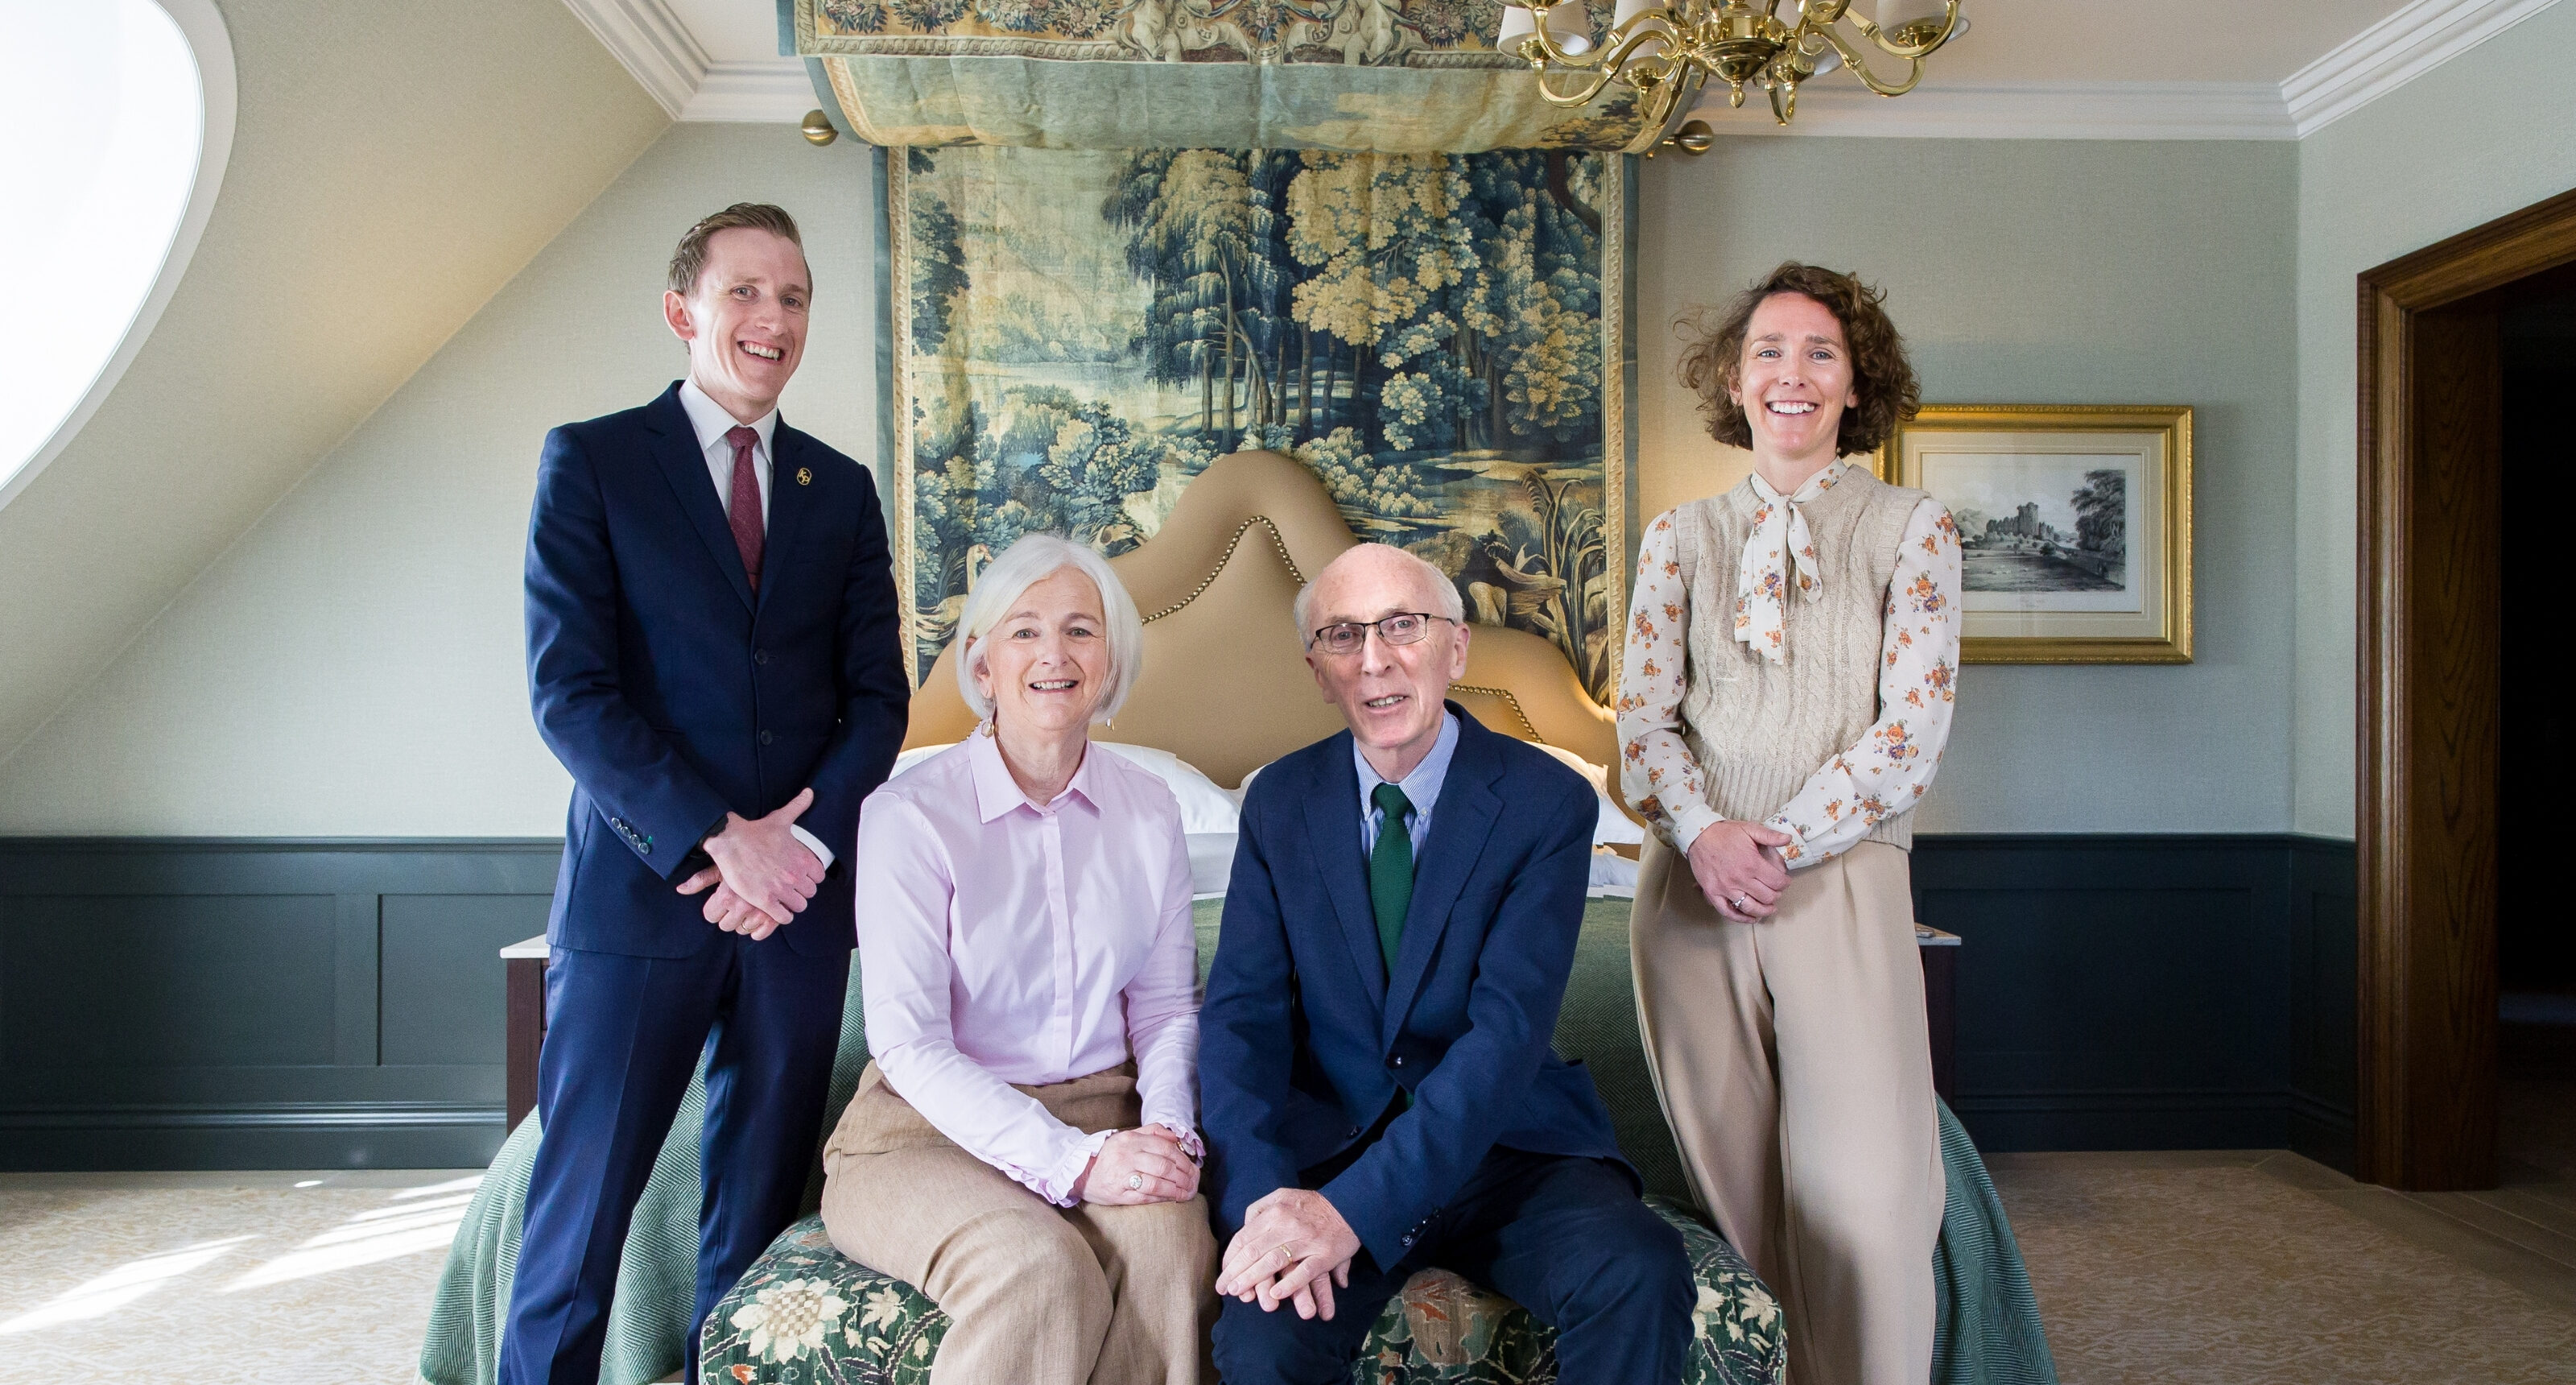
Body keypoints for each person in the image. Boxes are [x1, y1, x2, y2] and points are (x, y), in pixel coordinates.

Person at [506, 203, 908, 1384]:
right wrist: (718, 840)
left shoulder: (838, 489)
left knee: (754, 1221)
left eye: (792, 298)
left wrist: (805, 849)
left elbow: (879, 699)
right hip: (642, 899)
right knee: (579, 1216)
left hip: (797, 914)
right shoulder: (592, 461)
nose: (772, 319)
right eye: (746, 293)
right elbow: (568, 693)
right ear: (685, 311)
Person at [1200, 544, 1695, 1385]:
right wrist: (1261, 1204)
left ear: (1455, 648)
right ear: (1318, 670)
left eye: (1402, 626)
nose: (1374, 658)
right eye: (1342, 635)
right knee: (1260, 1340)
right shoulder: (1278, 804)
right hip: (1332, 1148)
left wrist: (1351, 1215)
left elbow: (1505, 1036)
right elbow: (1238, 1021)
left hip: (1508, 1149)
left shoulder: (1548, 803)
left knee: (1639, 1270)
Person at [1616, 262, 1960, 1385]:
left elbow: (1911, 727)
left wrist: (1780, 842)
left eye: (1820, 352)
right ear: (1734, 377)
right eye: (1769, 350)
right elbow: (1644, 722)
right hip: (1689, 889)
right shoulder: (1680, 537)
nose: (1792, 374)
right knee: (1738, 1190)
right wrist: (1709, 834)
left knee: (1867, 1195)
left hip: (1844, 877)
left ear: (1858, 384)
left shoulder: (1914, 529)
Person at [820, 534, 1215, 1385]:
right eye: (1024, 630)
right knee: (1040, 1268)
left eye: (1081, 630)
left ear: (1109, 664)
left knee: (1171, 1245)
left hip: (1105, 1109)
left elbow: (1165, 1009)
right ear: (981, 661)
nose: (1053, 654)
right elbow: (910, 1042)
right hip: (920, 1133)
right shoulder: (907, 815)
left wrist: (1167, 1129)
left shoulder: (1149, 813)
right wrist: (1075, 1164)